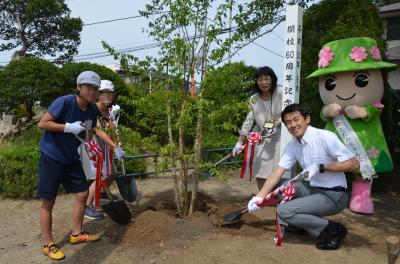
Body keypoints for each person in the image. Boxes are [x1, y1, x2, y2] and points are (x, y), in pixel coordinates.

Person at [247, 103, 359, 250]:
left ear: (307, 119)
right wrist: (259, 197)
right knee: (282, 184)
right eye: (288, 122)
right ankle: (301, 225)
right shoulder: (294, 145)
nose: (292, 125)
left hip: (333, 195)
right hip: (312, 189)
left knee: (284, 211)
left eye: (296, 119)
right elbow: (277, 172)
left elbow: (353, 164)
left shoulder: (324, 137)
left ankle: (334, 229)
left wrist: (321, 167)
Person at [37, 71, 102, 260]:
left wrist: (89, 139)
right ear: (78, 87)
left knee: (82, 193)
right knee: (49, 200)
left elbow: (88, 134)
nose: (91, 91)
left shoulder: (92, 110)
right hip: (52, 156)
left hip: (71, 157)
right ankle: (48, 244)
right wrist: (68, 127)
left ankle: (76, 233)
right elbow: (43, 123)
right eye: (87, 86)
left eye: (94, 88)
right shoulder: (64, 102)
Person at [232, 66, 282, 190]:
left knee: (279, 171)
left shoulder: (281, 92)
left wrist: (279, 120)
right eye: (260, 79)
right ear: (256, 81)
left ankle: (278, 200)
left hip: (282, 137)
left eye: (267, 79)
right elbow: (248, 122)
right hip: (263, 138)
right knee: (260, 171)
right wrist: (239, 142)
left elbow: (290, 111)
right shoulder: (253, 99)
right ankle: (263, 200)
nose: (264, 82)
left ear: (273, 79)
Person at [83, 80, 125, 220]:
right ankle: (86, 207)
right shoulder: (92, 110)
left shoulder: (109, 112)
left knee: (111, 172)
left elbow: (111, 129)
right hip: (91, 145)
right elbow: (99, 131)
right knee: (100, 175)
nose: (107, 95)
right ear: (97, 94)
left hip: (105, 146)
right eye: (103, 92)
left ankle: (100, 193)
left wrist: (118, 141)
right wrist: (115, 146)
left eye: (109, 92)